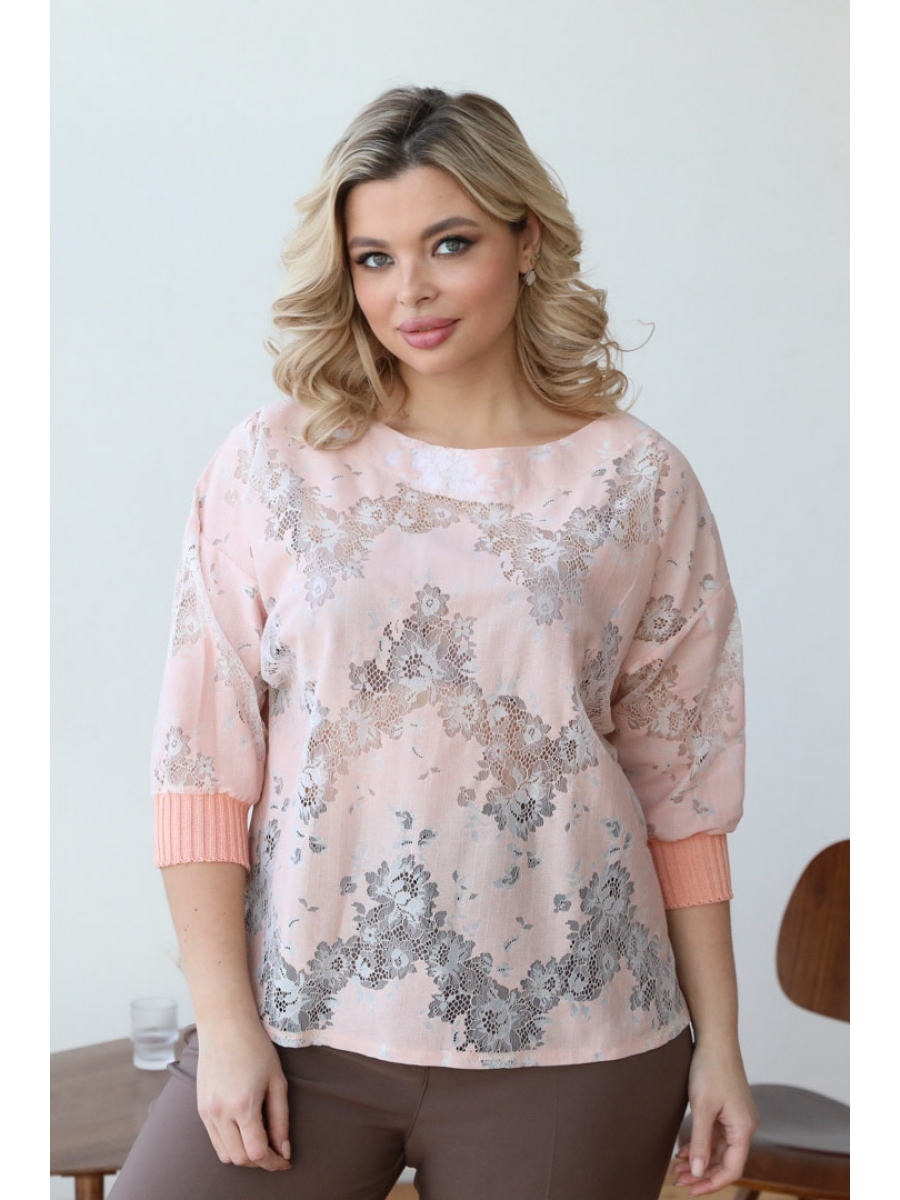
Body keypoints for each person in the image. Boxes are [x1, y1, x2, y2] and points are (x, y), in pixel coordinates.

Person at [112, 86, 758, 1200]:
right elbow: (200, 768)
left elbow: (684, 787)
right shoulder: (271, 464)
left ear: (527, 239)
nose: (407, 291)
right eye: (373, 258)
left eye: (448, 245)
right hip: (302, 1021)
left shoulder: (639, 481)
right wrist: (226, 1023)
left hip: (577, 1035)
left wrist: (725, 1048)